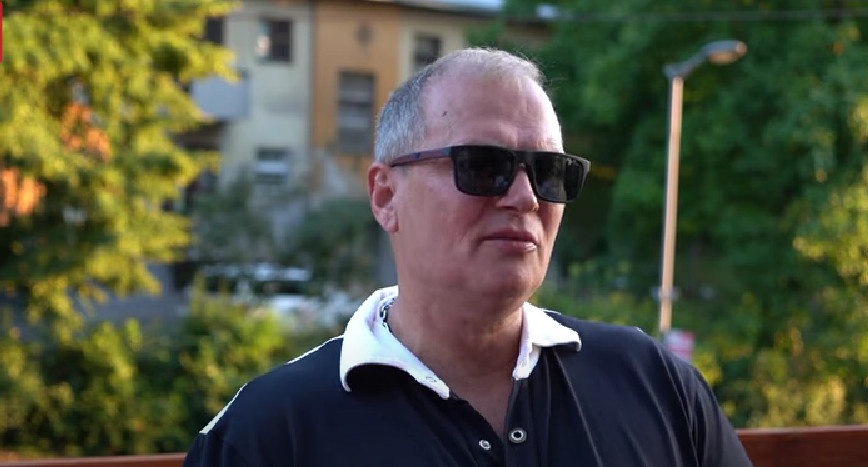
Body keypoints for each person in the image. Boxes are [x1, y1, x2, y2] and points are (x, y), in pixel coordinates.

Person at [182, 47, 753, 466]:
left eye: (550, 172)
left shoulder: (655, 384)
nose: (526, 197)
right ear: (385, 196)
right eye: (483, 166)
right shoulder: (268, 436)